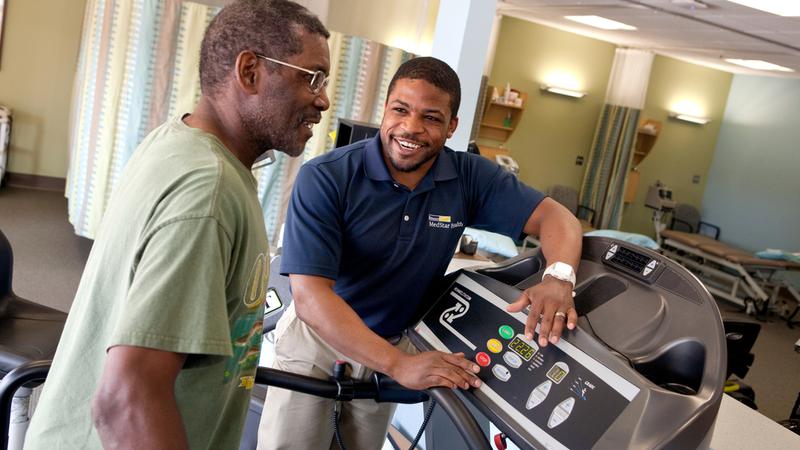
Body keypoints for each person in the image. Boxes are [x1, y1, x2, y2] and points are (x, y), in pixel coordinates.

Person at [25, 1, 330, 448]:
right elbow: (126, 401)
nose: (323, 98)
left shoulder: (180, 142)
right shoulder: (209, 191)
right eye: (312, 77)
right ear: (250, 72)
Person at [258, 57, 583, 449]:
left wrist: (559, 278)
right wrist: (400, 366)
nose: (410, 127)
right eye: (400, 110)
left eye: (430, 118)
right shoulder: (328, 177)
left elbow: (557, 218)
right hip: (319, 340)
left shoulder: (468, 177)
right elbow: (312, 298)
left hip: (393, 339)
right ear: (385, 108)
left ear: (451, 127)